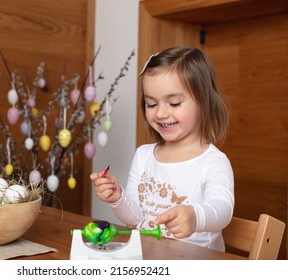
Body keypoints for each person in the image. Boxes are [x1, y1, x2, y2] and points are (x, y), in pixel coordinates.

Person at [90, 46, 234, 251]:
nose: (160, 114)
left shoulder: (212, 161)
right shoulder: (144, 155)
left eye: (174, 103)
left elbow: (223, 209)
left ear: (204, 103)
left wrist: (195, 216)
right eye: (151, 104)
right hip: (149, 259)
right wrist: (117, 198)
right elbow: (135, 217)